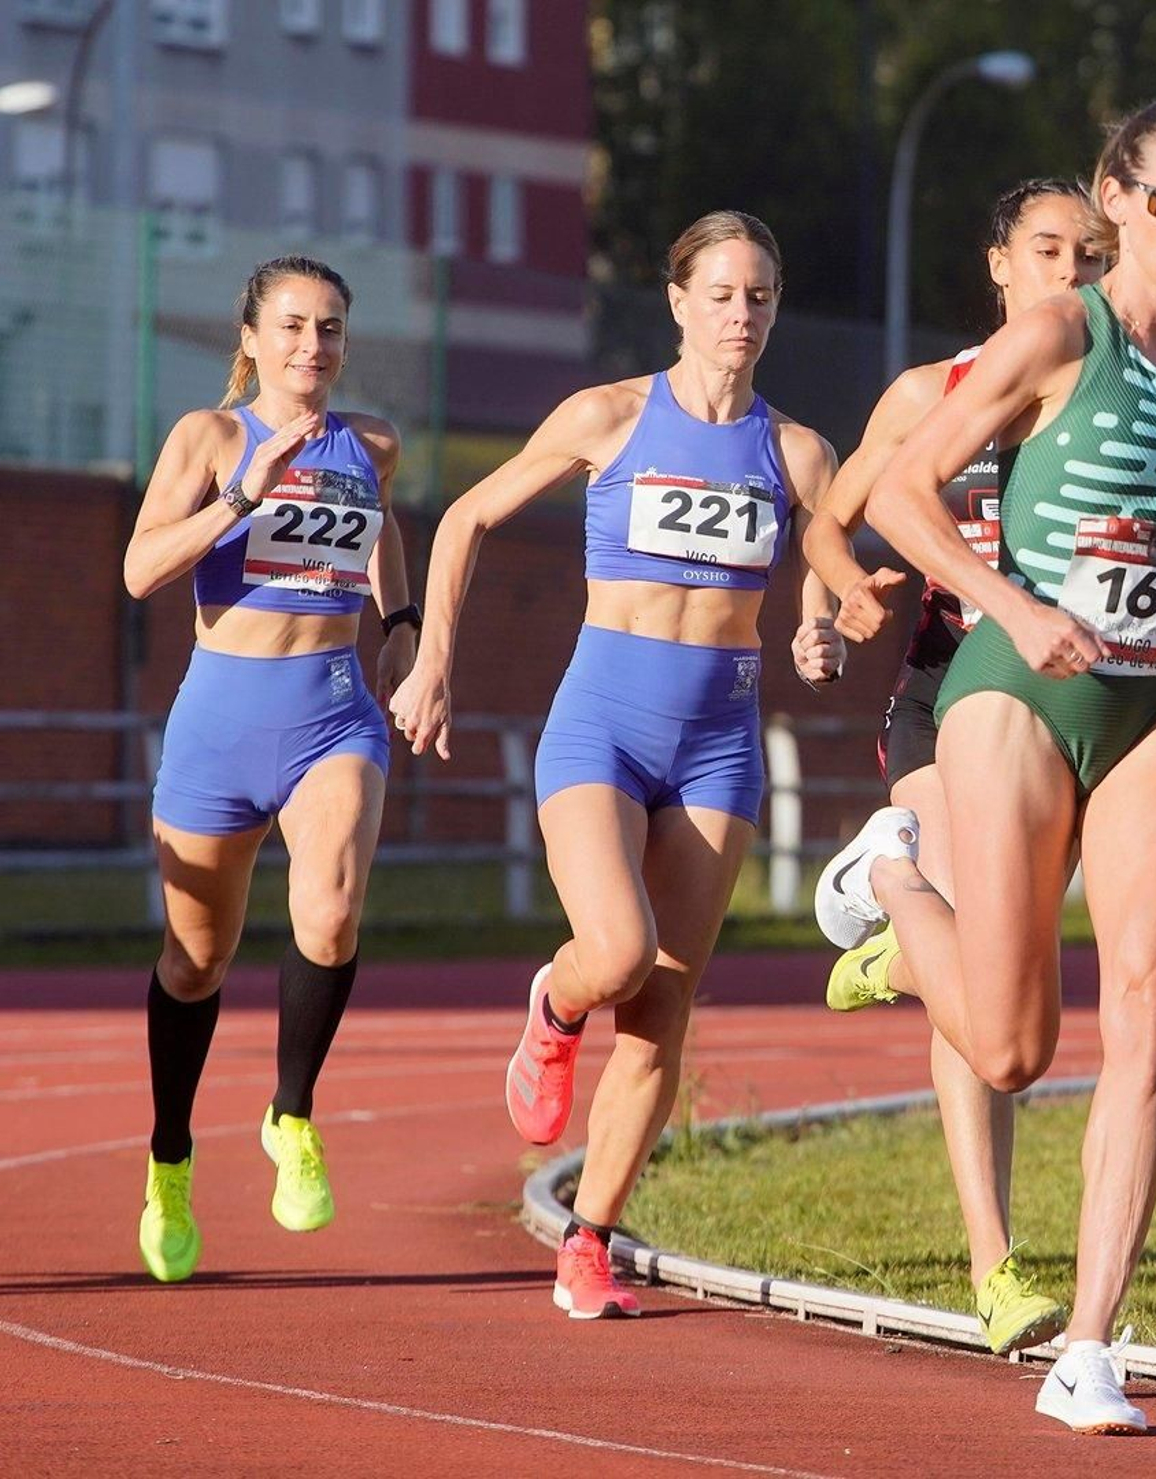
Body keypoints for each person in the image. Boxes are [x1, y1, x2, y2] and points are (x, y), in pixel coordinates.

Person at [813, 100, 1156, 1433]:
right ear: (1116, 197)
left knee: (1148, 999)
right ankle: (894, 879)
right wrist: (1010, 607)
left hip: (1154, 698)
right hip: (1017, 689)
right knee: (1014, 1048)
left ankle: (1088, 1347)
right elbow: (899, 491)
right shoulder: (1053, 338)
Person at [389, 211, 843, 1320]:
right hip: (602, 726)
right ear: (678, 302)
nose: (741, 316)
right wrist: (432, 661)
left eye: (760, 296)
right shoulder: (609, 416)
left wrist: (818, 625)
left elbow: (825, 563)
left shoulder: (798, 453)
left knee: (661, 1009)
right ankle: (554, 1005)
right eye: (721, 294)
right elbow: (466, 518)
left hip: (719, 744)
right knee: (618, 952)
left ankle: (588, 1238)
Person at [802, 179, 1103, 1355]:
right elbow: (830, 521)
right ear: (999, 264)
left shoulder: (1112, 404)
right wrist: (841, 599)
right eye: (1047, 249)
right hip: (946, 693)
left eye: (1090, 254)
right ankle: (994, 1266)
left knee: (1001, 984)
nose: (1070, 272)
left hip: (1066, 704)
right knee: (981, 939)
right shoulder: (932, 393)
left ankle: (895, 931)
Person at [124, 256, 416, 1283]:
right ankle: (169, 1159)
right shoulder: (209, 438)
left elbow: (382, 527)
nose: (312, 345)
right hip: (219, 724)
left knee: (329, 914)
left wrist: (400, 622)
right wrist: (242, 495)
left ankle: (291, 1115)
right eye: (291, 326)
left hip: (331, 715)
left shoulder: (370, 444)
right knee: (194, 961)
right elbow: (140, 568)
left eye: (329, 327)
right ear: (251, 339)